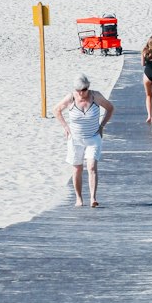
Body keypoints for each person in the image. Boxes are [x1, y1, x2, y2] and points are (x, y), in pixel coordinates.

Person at [53, 73, 114, 207]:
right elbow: (56, 110)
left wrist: (102, 125)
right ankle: (79, 198)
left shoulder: (95, 96)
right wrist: (65, 127)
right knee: (77, 168)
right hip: (75, 139)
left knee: (91, 166)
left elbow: (110, 108)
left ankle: (93, 198)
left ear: (88, 87)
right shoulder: (71, 98)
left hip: (93, 137)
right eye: (78, 90)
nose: (81, 93)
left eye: (84, 90)